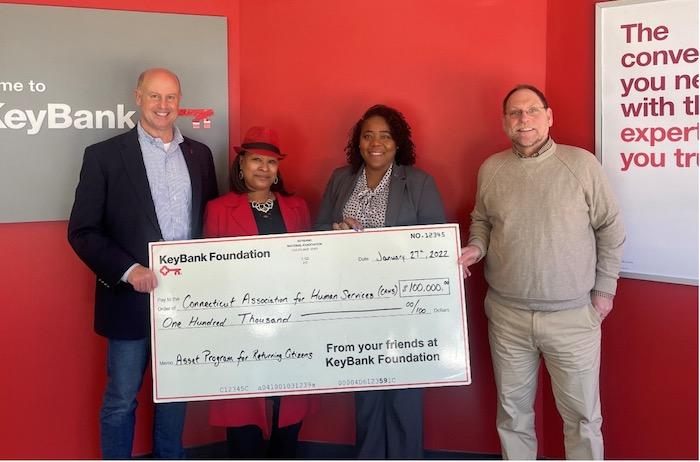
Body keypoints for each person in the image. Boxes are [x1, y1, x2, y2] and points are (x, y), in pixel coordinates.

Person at [458, 84, 625, 460]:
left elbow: (611, 227)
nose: (523, 119)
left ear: (549, 117)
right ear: (504, 122)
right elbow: (482, 221)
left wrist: (604, 291)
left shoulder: (581, 164)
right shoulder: (492, 168)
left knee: (582, 420)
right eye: (515, 113)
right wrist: (476, 247)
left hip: (572, 317)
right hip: (507, 316)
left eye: (532, 110)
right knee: (513, 417)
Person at [67, 68, 219, 459]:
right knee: (121, 398)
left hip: (188, 303)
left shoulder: (199, 155)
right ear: (138, 97)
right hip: (129, 299)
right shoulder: (103, 155)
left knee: (175, 393)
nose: (163, 106)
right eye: (154, 96)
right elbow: (82, 231)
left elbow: (208, 223)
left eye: (170, 98)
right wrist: (130, 270)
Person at [315, 104, 445, 459]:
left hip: (405, 307)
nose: (376, 142)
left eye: (385, 135)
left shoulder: (418, 183)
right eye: (367, 135)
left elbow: (435, 244)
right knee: (366, 392)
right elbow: (317, 233)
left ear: (398, 143)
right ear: (358, 143)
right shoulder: (342, 178)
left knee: (404, 395)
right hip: (353, 305)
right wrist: (335, 230)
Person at [204, 126, 320, 459]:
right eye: (256, 160)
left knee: (289, 409)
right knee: (243, 414)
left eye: (271, 162)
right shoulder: (218, 209)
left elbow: (310, 264)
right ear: (241, 165)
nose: (264, 168)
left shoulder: (297, 208)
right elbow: (211, 273)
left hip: (290, 325)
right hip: (241, 326)